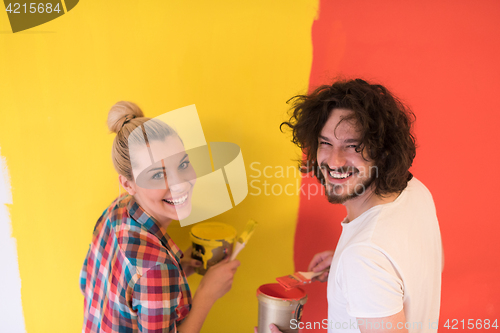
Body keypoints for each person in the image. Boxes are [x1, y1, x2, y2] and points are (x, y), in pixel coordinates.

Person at [275, 79, 443, 333]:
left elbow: (372, 256)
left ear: (382, 151)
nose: (334, 161)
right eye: (325, 143)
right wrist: (347, 269)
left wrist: (359, 265)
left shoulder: (364, 257)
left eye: (353, 146)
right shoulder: (414, 191)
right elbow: (409, 265)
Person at [79, 101, 240, 333]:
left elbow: (89, 283)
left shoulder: (117, 209)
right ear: (128, 184)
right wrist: (207, 293)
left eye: (183, 164)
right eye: (157, 174)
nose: (180, 183)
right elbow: (148, 273)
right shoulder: (156, 267)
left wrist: (178, 271)